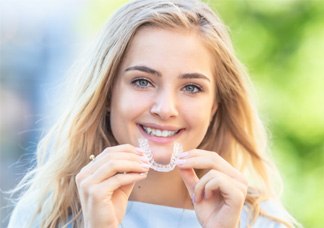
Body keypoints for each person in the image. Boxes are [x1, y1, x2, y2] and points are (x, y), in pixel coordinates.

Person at [8, 0, 299, 227]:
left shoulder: (262, 221)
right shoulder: (44, 216)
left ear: (214, 106)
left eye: (192, 88)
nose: (165, 109)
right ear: (108, 93)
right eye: (142, 82)